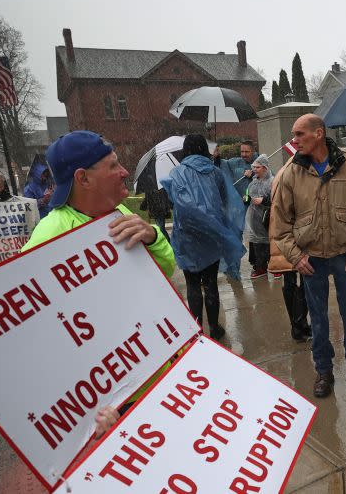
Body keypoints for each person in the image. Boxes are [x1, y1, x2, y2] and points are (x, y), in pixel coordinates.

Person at [20, 130, 175, 428]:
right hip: (113, 403)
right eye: (113, 165)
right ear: (83, 178)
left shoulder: (116, 212)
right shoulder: (51, 236)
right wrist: (83, 415)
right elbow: (34, 335)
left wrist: (153, 236)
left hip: (155, 372)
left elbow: (166, 269)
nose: (125, 172)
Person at [271, 113, 346, 398]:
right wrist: (296, 257)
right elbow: (280, 226)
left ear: (318, 133)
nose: (294, 141)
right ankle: (323, 371)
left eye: (299, 134)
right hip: (311, 260)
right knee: (318, 319)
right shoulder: (291, 173)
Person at [163, 134, 246, 341]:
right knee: (210, 283)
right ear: (203, 149)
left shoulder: (177, 172)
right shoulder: (215, 172)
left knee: (192, 284)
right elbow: (224, 201)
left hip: (187, 236)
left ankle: (197, 328)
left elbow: (176, 202)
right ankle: (215, 327)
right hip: (212, 234)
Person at [267, 144, 311, 343]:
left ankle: (298, 325)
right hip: (292, 236)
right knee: (301, 282)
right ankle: (299, 326)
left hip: (281, 235)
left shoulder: (282, 172)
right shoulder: (293, 173)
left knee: (290, 281)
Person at [245, 154, 273, 279]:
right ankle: (260, 267)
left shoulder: (272, 181)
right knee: (256, 244)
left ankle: (275, 267)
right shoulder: (253, 182)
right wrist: (246, 199)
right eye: (254, 167)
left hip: (267, 218)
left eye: (258, 167)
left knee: (269, 244)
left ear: (265, 168)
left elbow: (277, 199)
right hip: (254, 219)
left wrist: (264, 200)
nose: (254, 169)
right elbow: (248, 195)